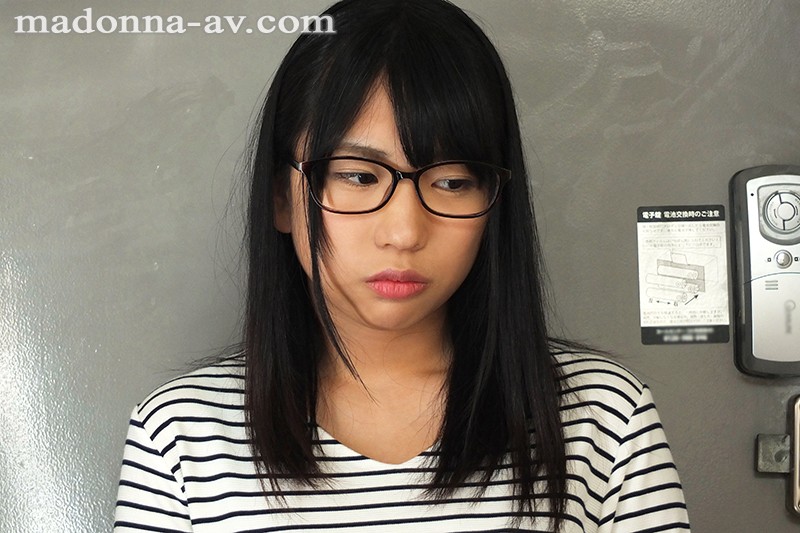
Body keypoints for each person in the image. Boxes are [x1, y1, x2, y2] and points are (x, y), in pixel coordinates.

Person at [114, 0, 691, 531]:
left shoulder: (602, 418)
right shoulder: (183, 435)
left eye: (453, 182)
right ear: (281, 199)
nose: (405, 233)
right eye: (358, 176)